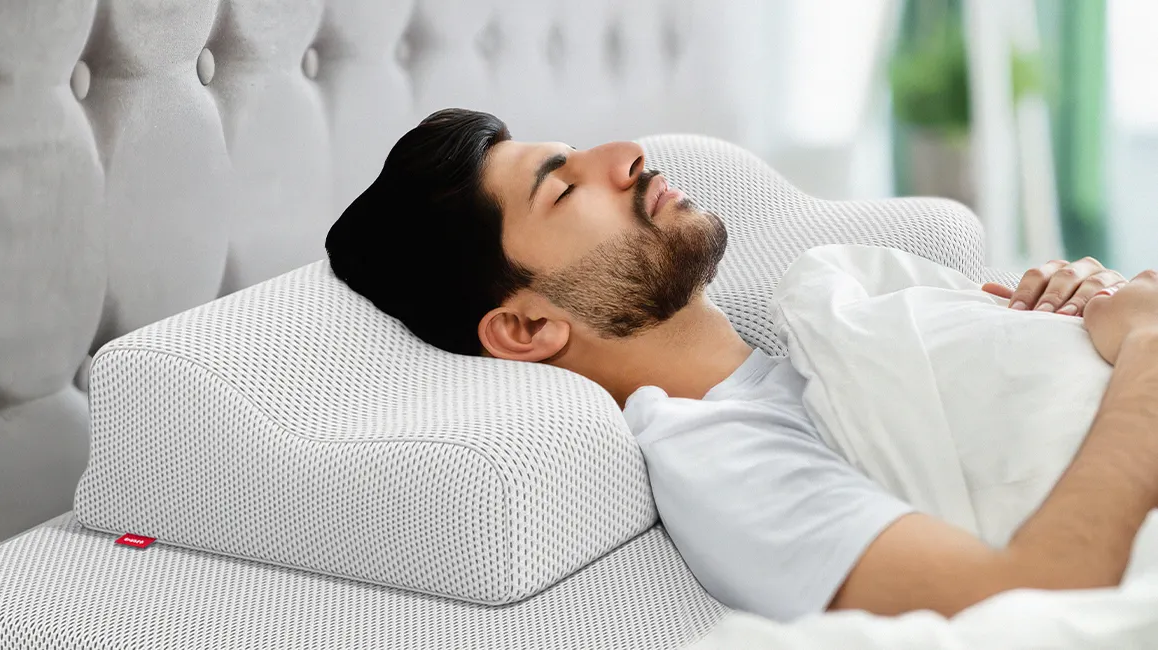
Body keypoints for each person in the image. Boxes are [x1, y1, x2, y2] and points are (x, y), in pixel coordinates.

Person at [325, 108, 1158, 621]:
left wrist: (1089, 307)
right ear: (524, 327)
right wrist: (1148, 354)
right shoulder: (722, 455)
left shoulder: (831, 335)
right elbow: (1029, 600)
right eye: (564, 187)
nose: (626, 155)